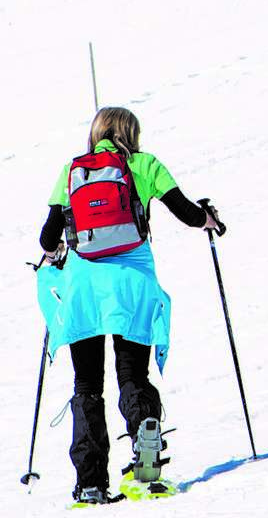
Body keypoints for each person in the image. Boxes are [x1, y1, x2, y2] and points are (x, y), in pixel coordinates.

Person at [35, 106, 221, 506]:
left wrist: (53, 255)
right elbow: (188, 215)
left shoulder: (71, 170)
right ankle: (145, 436)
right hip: (133, 283)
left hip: (84, 288)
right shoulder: (145, 164)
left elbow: (48, 237)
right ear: (131, 133)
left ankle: (90, 484)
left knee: (87, 384)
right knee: (132, 373)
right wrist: (210, 219)